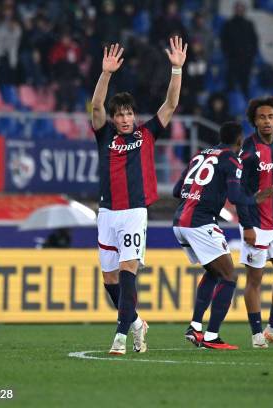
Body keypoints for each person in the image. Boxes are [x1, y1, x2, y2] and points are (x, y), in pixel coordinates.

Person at [91, 37, 187, 355]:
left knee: (128, 269)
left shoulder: (147, 133)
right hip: (107, 212)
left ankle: (120, 338)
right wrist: (105, 74)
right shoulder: (104, 135)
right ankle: (135, 322)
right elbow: (95, 107)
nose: (123, 119)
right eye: (118, 115)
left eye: (128, 114)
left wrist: (176, 69)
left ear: (134, 115)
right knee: (109, 279)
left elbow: (171, 105)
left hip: (134, 211)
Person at [173, 122, 273, 350]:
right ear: (239, 141)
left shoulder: (200, 155)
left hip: (179, 221)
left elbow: (176, 191)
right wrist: (255, 199)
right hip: (200, 223)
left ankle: (195, 327)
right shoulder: (231, 159)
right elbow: (236, 196)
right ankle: (212, 336)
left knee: (214, 272)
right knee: (229, 276)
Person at [237, 97, 273, 349]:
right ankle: (256, 333)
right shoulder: (248, 151)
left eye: (270, 117)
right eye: (261, 117)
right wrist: (247, 226)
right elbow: (239, 191)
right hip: (257, 225)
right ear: (254, 121)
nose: (266, 121)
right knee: (255, 280)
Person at [220, 2, 258, 96]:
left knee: (245, 83)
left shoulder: (249, 24)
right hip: (232, 59)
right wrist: (228, 54)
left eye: (241, 9)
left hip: (246, 60)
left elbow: (254, 41)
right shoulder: (228, 24)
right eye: (238, 8)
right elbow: (224, 41)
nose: (239, 11)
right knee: (230, 83)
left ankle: (245, 104)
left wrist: (250, 55)